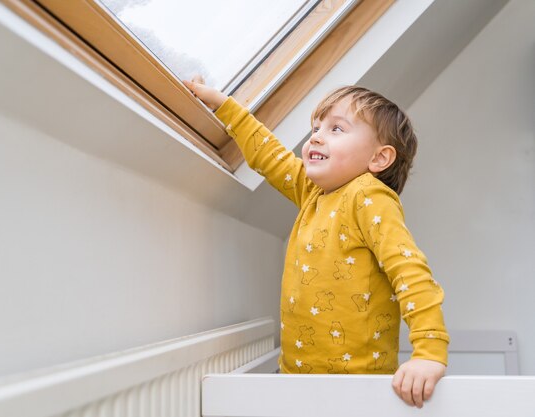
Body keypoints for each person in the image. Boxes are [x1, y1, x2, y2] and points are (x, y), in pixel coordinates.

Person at [183, 78, 449, 409]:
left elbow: (410, 273)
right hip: (299, 380)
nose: (317, 137)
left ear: (379, 159)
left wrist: (429, 351)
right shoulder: (314, 193)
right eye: (316, 127)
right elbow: (270, 156)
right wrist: (223, 105)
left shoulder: (368, 196)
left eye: (336, 129)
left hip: (358, 386)